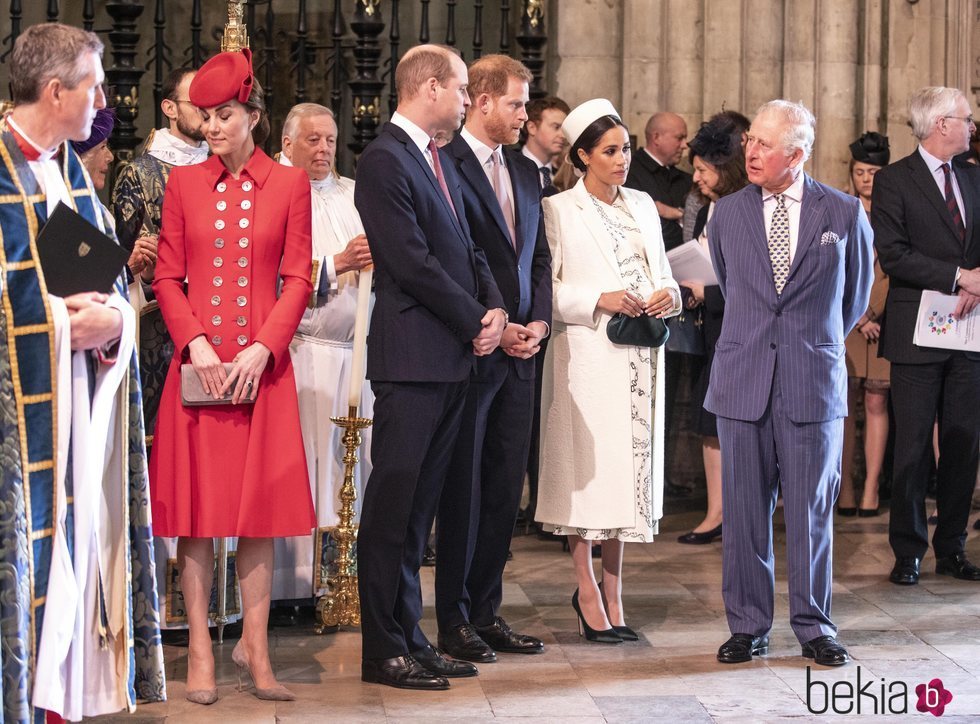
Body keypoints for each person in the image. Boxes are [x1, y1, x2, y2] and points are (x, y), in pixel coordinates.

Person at [0, 22, 164, 721]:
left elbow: (108, 287)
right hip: (20, 428)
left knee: (75, 552)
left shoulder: (72, 172)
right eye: (93, 85)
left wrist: (114, 325)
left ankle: (60, 701)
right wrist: (69, 324)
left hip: (76, 418)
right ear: (55, 89)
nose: (104, 98)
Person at [149, 48, 315, 703]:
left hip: (260, 374)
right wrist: (195, 343)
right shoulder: (183, 184)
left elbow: (299, 276)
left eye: (224, 115)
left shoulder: (290, 184)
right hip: (199, 371)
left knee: (258, 517)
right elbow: (166, 275)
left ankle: (258, 650)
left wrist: (263, 348)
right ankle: (198, 651)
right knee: (196, 517)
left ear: (253, 115)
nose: (212, 127)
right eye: (205, 116)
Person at [354, 44, 507, 691]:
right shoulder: (383, 160)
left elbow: (468, 247)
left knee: (420, 513)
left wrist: (495, 305)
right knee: (392, 509)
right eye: (463, 88)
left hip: (446, 361)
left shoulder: (432, 158)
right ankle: (382, 647)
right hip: (412, 359)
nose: (469, 99)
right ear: (432, 88)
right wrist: (476, 319)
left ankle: (412, 635)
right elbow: (412, 261)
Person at [706, 100, 873, 668]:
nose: (750, 151)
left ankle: (815, 627)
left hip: (811, 381)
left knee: (811, 513)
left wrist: (808, 346)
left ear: (796, 155)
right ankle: (748, 626)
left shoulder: (845, 213)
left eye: (764, 145)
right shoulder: (726, 214)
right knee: (745, 512)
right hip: (743, 379)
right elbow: (731, 287)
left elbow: (853, 301)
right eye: (750, 140)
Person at [535, 98, 681, 644]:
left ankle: (615, 592)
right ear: (582, 156)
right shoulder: (558, 209)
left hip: (643, 355)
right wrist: (600, 298)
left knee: (627, 475)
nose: (623, 160)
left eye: (625, 149)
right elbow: (545, 290)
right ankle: (587, 591)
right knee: (588, 478)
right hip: (588, 356)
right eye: (611, 151)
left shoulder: (643, 203)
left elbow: (661, 271)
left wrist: (668, 296)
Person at [437, 54, 551, 663]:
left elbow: (537, 258)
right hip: (474, 347)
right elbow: (460, 258)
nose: (525, 116)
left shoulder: (527, 172)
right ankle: (452, 616)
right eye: (515, 104)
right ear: (481, 101)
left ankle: (486, 611)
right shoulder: (446, 165)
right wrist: (498, 322)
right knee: (466, 488)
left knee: (506, 486)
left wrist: (538, 323)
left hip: (521, 353)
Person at [110, 67, 220, 633]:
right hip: (156, 332)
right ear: (170, 109)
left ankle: (200, 594)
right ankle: (153, 592)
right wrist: (138, 262)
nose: (208, 113)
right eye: (196, 103)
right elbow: (118, 253)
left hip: (218, 330)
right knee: (159, 461)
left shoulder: (219, 168)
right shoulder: (140, 171)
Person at [872, 87, 980, 586]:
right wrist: (959, 276)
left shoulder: (975, 176)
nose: (972, 126)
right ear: (941, 124)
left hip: (970, 328)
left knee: (962, 443)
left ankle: (952, 547)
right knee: (912, 446)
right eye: (967, 118)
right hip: (918, 331)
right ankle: (908, 550)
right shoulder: (894, 180)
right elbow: (892, 254)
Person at [271, 102, 374, 605]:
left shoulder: (356, 194)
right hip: (304, 352)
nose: (324, 148)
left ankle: (344, 582)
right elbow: (266, 275)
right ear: (287, 144)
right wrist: (334, 265)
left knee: (351, 467)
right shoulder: (272, 192)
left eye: (330, 139)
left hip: (356, 355)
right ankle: (296, 587)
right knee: (309, 467)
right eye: (312, 139)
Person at [675, 116, 749, 545]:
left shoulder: (747, 207)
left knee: (734, 423)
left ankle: (732, 514)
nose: (697, 178)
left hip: (739, 329)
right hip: (712, 331)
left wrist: (709, 294)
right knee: (709, 422)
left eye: (704, 169)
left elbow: (757, 284)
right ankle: (716, 512)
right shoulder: (706, 209)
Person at [838, 131, 891, 518]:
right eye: (861, 171)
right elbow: (833, 265)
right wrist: (857, 315)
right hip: (846, 320)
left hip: (883, 319)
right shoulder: (839, 208)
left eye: (873, 171)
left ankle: (871, 486)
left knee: (876, 401)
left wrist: (873, 312)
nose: (866, 178)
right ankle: (846, 486)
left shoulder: (894, 210)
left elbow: (895, 266)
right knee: (845, 405)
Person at [625, 111, 691, 252]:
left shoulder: (686, 179)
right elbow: (647, 233)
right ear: (656, 137)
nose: (685, 145)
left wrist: (676, 213)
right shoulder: (628, 174)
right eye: (679, 138)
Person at [521, 96, 570, 192]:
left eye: (564, 129)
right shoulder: (508, 168)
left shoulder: (563, 175)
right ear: (532, 128)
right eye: (556, 127)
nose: (563, 135)